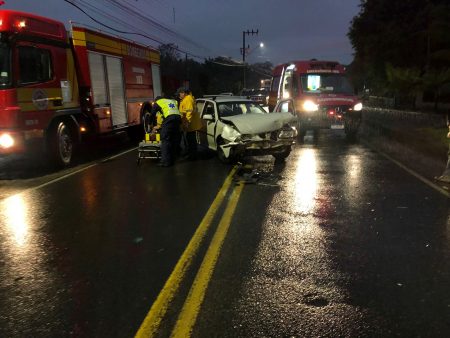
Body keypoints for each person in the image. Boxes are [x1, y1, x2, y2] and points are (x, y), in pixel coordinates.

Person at [151, 95, 182, 167]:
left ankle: (165, 162)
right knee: (173, 140)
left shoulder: (158, 102)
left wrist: (150, 124)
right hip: (178, 120)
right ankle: (172, 160)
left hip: (169, 120)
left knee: (165, 141)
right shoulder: (172, 101)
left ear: (156, 101)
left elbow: (152, 114)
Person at [177, 87, 202, 160]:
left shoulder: (188, 99)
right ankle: (191, 153)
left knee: (191, 140)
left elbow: (189, 111)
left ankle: (192, 156)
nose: (179, 95)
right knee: (190, 140)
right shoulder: (187, 99)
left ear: (183, 93)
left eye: (180, 94)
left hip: (190, 124)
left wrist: (187, 122)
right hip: (190, 124)